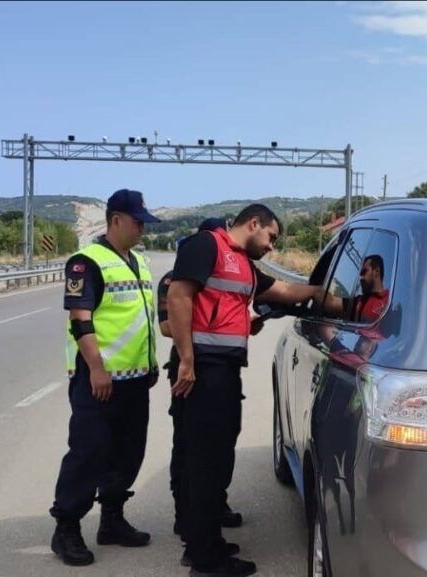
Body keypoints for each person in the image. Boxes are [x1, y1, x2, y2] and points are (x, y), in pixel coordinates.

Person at [167, 204, 318, 577]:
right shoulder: (207, 246)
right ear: (254, 224)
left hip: (221, 370)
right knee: (204, 463)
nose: (271, 247)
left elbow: (281, 289)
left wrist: (320, 291)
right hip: (203, 370)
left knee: (213, 460)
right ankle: (205, 560)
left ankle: (204, 543)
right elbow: (178, 296)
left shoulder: (241, 262)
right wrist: (187, 359)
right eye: (270, 237)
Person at [50, 189, 162, 567]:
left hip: (134, 379)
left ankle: (112, 519)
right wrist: (96, 368)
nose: (142, 227)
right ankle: (66, 528)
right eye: (137, 221)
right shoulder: (87, 262)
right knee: (89, 453)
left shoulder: (140, 262)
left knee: (128, 453)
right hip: (99, 380)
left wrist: (149, 364)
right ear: (115, 220)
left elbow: (140, 319)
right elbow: (81, 320)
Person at [157, 218, 244, 544]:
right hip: (188, 370)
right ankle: (186, 518)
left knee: (219, 448)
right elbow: (168, 326)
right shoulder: (173, 279)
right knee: (189, 448)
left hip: (216, 369)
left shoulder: (221, 275)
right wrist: (204, 329)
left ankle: (213, 507)